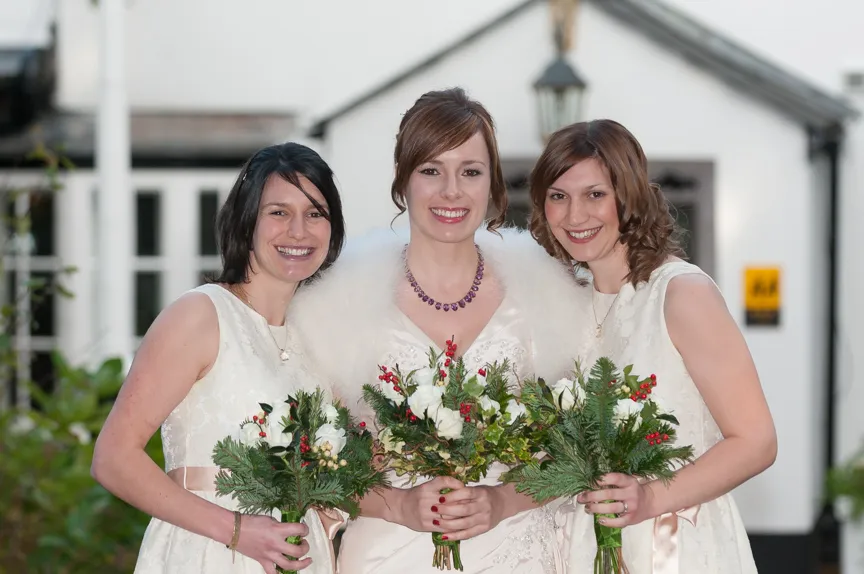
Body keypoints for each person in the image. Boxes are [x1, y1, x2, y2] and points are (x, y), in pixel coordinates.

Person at [290, 88, 589, 574]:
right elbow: (314, 459)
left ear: (492, 186)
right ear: (403, 182)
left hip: (515, 550)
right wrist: (397, 504)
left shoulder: (548, 296)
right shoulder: (337, 303)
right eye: (431, 171)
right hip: (390, 552)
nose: (452, 191)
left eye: (470, 172)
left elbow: (577, 449)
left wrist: (503, 500)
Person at [528, 119, 777, 573]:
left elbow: (757, 441)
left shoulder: (681, 294)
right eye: (558, 197)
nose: (574, 216)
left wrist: (647, 497)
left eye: (595, 195)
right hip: (578, 544)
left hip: (673, 545)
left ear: (630, 196)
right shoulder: (562, 301)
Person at [91, 142, 346, 574]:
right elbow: (113, 458)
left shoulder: (319, 338)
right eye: (278, 212)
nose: (299, 231)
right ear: (246, 220)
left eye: (315, 213)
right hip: (209, 553)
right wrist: (236, 530)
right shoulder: (201, 315)